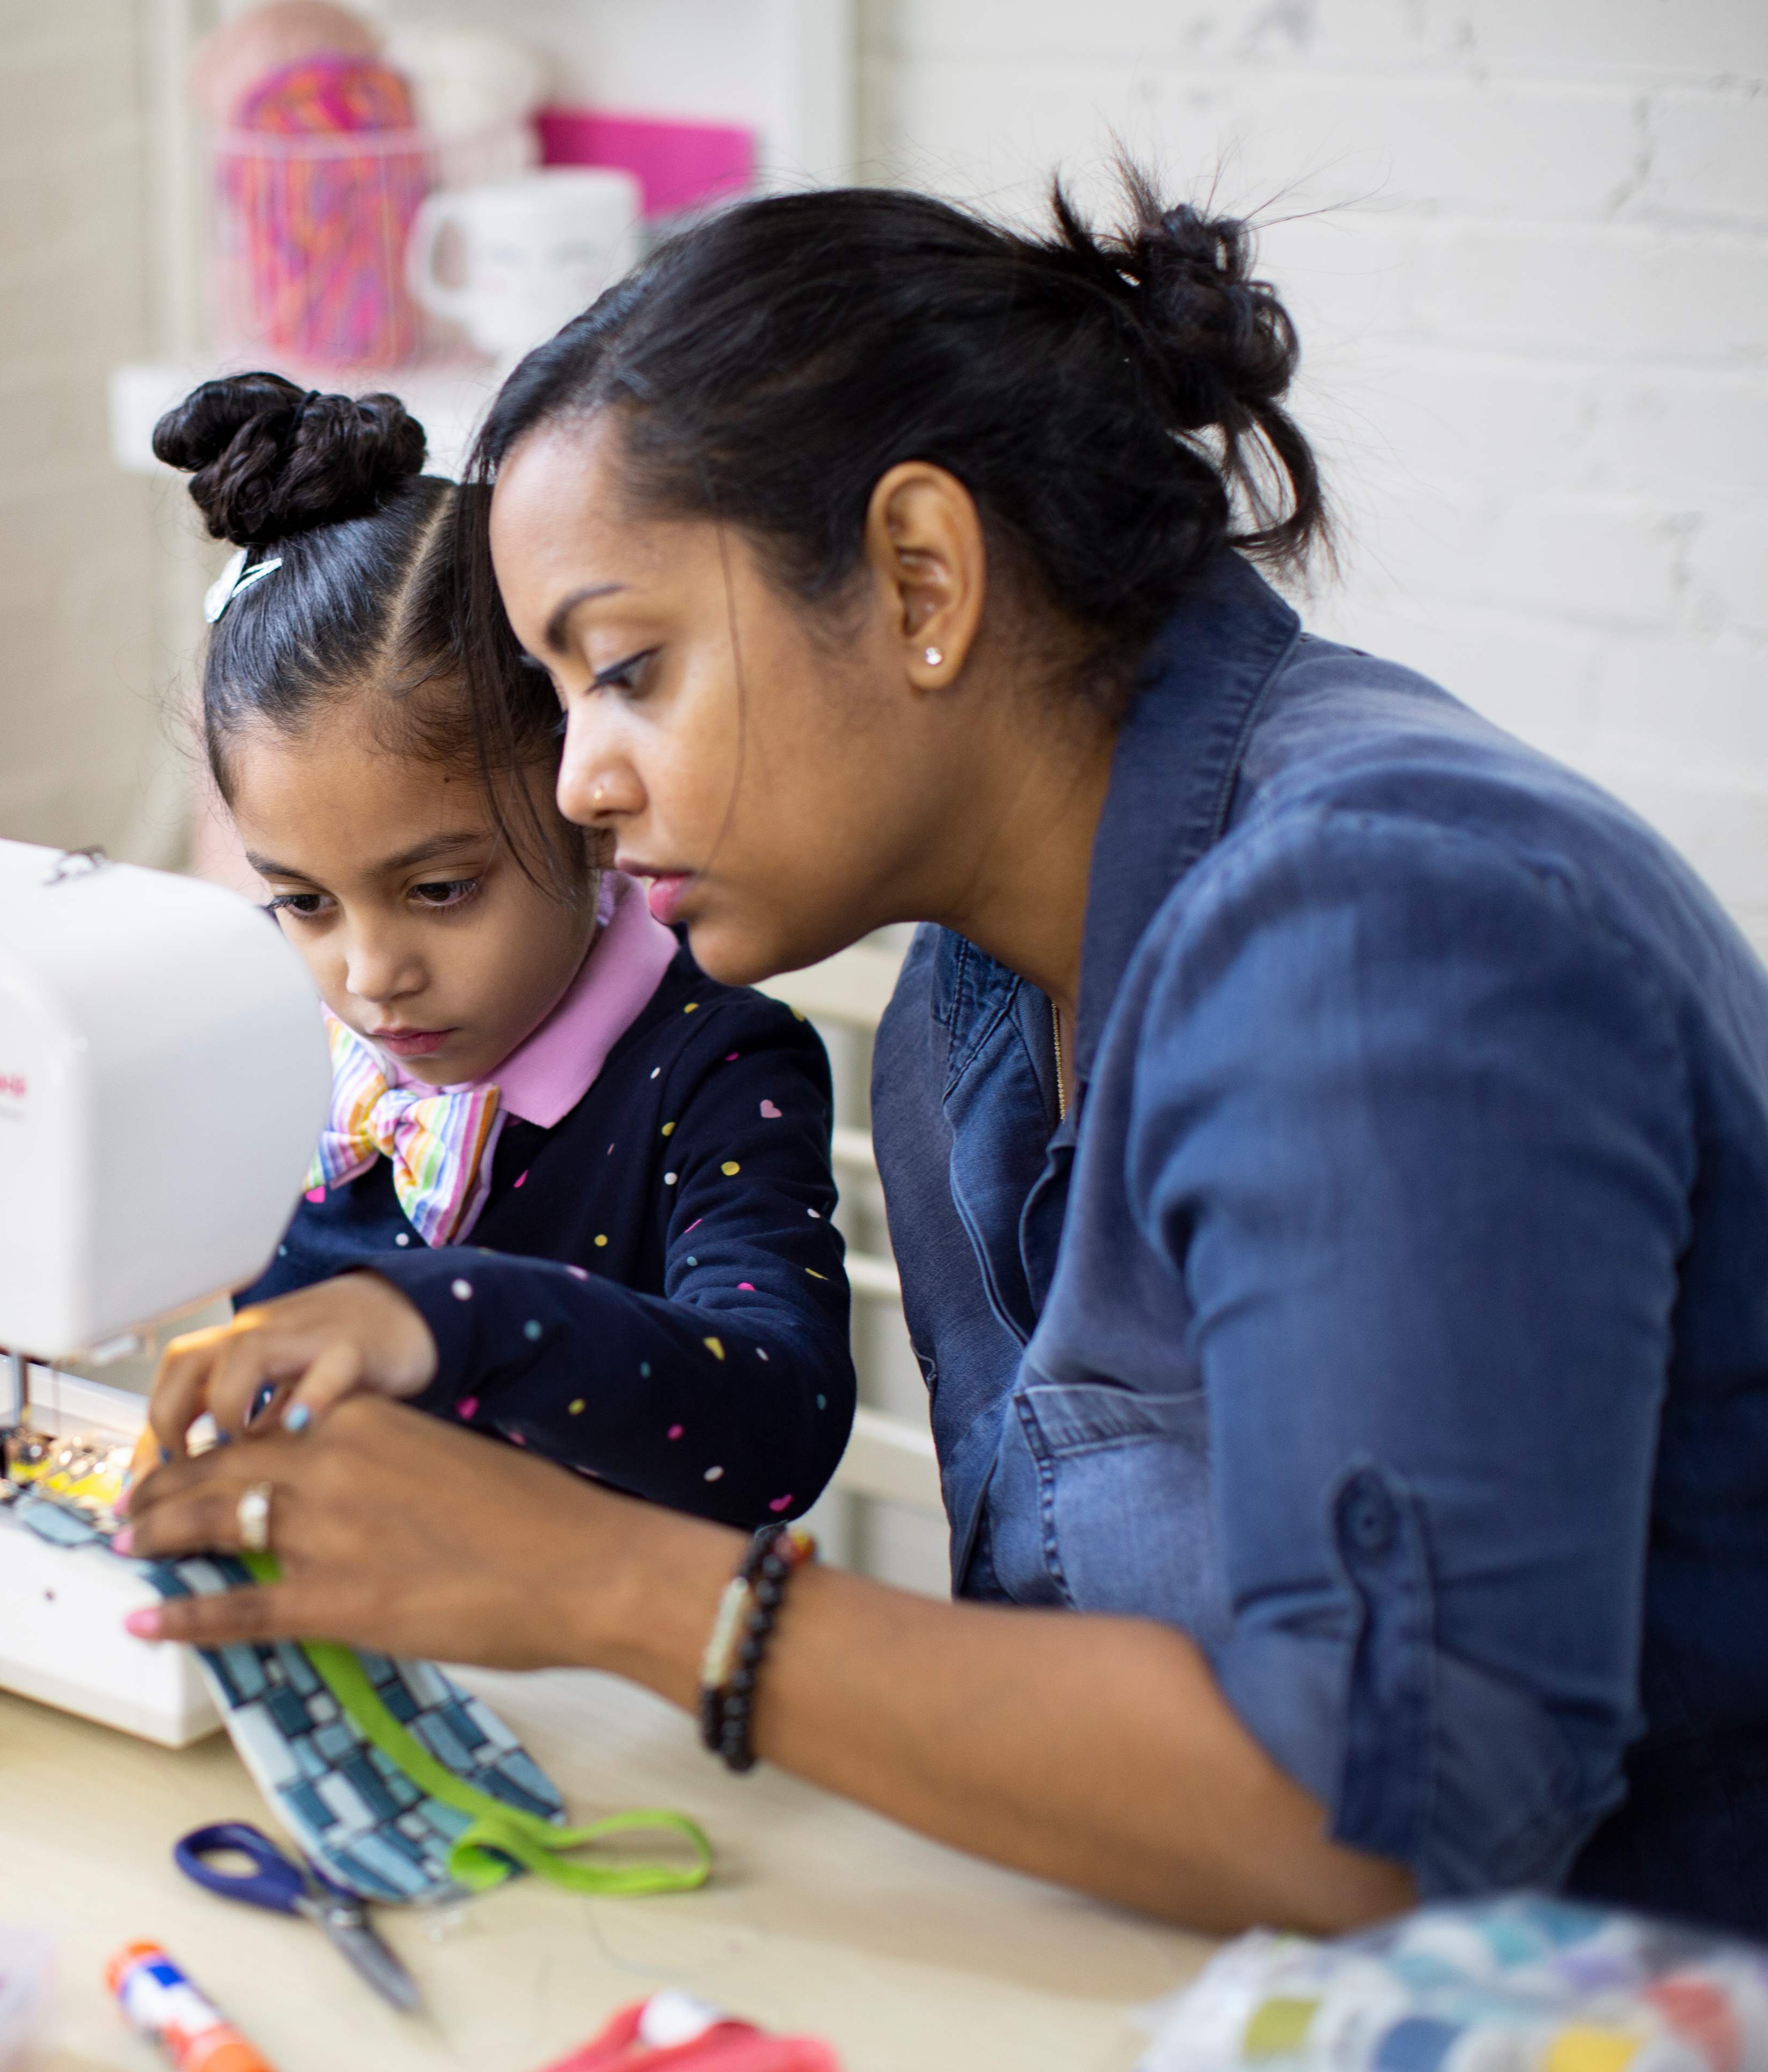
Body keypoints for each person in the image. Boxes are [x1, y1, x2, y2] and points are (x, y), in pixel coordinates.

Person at [119, 174, 1768, 1938]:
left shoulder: (1383, 936)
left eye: (626, 670)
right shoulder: (969, 1010)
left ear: (920, 577)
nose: (582, 783)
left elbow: (1395, 1822)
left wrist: (606, 1585)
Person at [139, 373, 854, 1529]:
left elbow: (782, 1425)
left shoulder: (717, 1068)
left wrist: (450, 1313)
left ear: (583, 800)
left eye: (438, 890)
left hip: (603, 1683)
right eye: (305, 903)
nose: (371, 977)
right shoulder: (291, 1034)